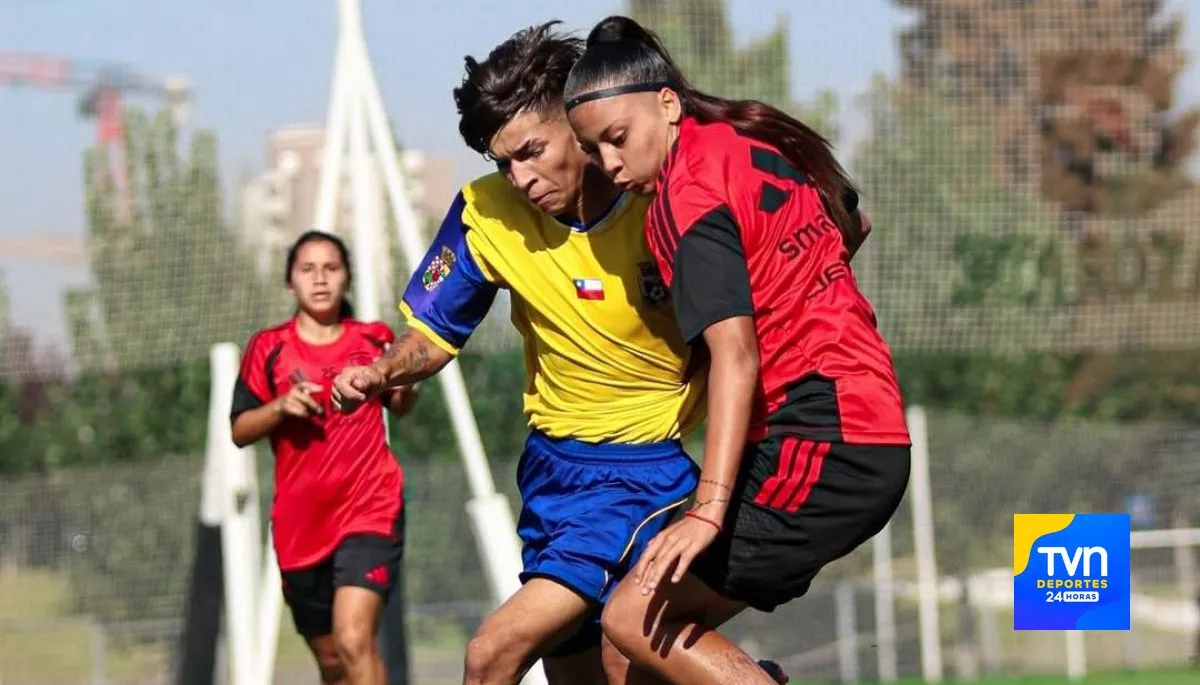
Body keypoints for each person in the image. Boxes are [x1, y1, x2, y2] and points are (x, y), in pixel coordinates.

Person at [330, 22, 708, 685]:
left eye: (532, 151)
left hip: (641, 474)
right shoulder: (486, 214)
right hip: (550, 476)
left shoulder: (661, 197)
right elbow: (435, 336)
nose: (522, 177)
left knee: (492, 653)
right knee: (595, 674)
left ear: (578, 119)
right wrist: (382, 369)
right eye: (504, 161)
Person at [562, 16, 911, 685]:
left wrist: (708, 508)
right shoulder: (745, 137)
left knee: (629, 616)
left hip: (823, 436)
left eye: (617, 138)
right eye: (593, 149)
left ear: (666, 102)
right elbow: (851, 222)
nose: (609, 163)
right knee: (632, 646)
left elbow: (738, 356)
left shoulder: (681, 198)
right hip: (856, 426)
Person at [231, 230, 419, 685]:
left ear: (347, 277)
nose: (320, 279)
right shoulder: (268, 348)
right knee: (333, 661)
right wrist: (279, 407)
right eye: (308, 269)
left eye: (331, 268)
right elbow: (239, 430)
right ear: (290, 282)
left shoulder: (374, 339)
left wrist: (407, 380)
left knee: (354, 638)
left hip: (369, 507)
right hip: (301, 526)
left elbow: (402, 405)